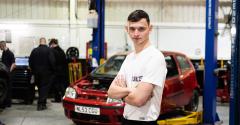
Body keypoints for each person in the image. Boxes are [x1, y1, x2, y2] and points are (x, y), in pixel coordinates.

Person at [107, 10, 167, 125]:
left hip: (145, 121)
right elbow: (111, 92)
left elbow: (138, 100)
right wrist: (131, 90)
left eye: (141, 29)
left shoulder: (155, 57)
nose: (136, 33)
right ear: (127, 29)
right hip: (126, 119)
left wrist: (121, 93)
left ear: (150, 28)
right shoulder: (129, 58)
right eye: (132, 28)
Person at [29, 37, 55, 111]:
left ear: (39, 42)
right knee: (44, 89)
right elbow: (52, 62)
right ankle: (40, 104)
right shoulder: (49, 50)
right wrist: (53, 71)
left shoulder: (34, 50)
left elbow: (30, 62)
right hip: (46, 73)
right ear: (45, 42)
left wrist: (33, 71)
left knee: (40, 88)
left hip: (36, 73)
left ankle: (43, 104)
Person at [0, 41, 15, 108]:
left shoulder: (10, 53)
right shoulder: (3, 52)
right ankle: (4, 103)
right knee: (5, 89)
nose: (0, 48)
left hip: (8, 74)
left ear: (2, 46)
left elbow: (13, 64)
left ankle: (8, 104)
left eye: (0, 46)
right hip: (4, 74)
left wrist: (9, 71)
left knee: (8, 89)